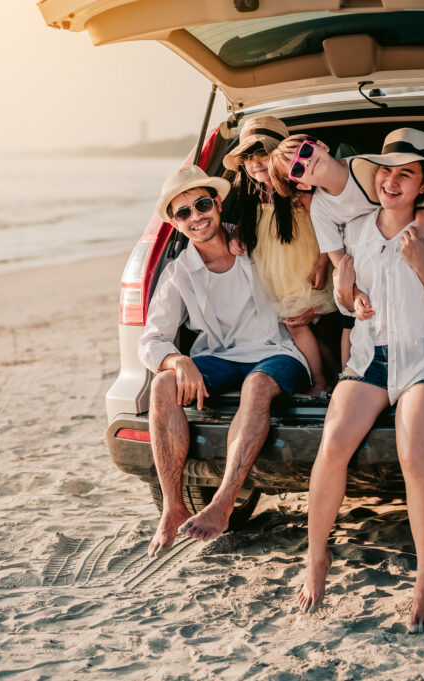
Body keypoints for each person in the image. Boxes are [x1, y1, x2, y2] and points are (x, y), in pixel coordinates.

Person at [295, 128, 424, 634]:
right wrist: (348, 294)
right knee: (332, 446)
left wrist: (420, 264)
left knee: (414, 454)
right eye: (386, 171)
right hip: (372, 359)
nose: (392, 181)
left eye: (406, 173)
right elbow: (347, 295)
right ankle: (316, 557)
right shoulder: (356, 229)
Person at [140, 165, 310, 558]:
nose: (196, 217)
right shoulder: (178, 272)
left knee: (256, 385)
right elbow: (151, 338)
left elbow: (300, 235)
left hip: (277, 351)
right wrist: (177, 361)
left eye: (201, 204)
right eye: (183, 212)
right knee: (162, 384)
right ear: (174, 223)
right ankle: (172, 505)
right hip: (219, 359)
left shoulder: (252, 241)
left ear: (217, 203)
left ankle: (224, 501)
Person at [274, 133, 424, 366]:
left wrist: (420, 230)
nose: (305, 161)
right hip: (361, 263)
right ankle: (349, 373)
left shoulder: (367, 167)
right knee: (350, 319)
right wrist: (354, 290)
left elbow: (419, 198)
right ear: (302, 184)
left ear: (322, 145)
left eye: (305, 151)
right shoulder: (320, 207)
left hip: (401, 249)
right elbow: (336, 254)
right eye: (297, 168)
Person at [222, 116, 334, 396]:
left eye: (262, 152)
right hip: (277, 279)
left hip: (305, 271)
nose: (255, 162)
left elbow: (327, 226)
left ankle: (320, 382)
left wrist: (324, 262)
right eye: (247, 156)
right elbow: (241, 227)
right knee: (303, 330)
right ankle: (335, 377)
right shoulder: (250, 196)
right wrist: (236, 235)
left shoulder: (299, 192)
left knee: (297, 327)